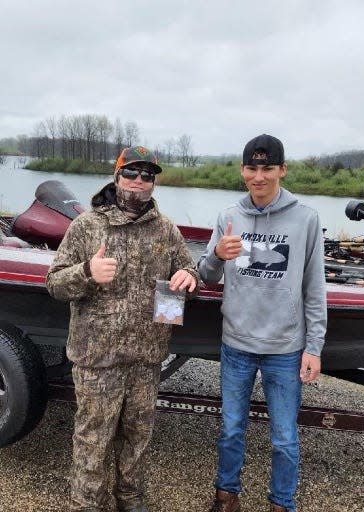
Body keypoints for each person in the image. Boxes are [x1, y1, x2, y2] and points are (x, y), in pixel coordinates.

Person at [46, 146, 200, 512]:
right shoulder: (87, 225)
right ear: (116, 178)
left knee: (138, 438)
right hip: (97, 359)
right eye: (131, 173)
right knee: (92, 441)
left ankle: (131, 500)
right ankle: (87, 505)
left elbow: (190, 274)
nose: (139, 181)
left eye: (147, 175)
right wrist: (87, 272)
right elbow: (54, 283)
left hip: (146, 361)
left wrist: (187, 277)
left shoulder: (166, 229)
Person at [198, 134, 327, 512]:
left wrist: (314, 347)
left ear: (282, 170)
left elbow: (314, 289)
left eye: (268, 168)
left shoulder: (306, 218)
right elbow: (206, 275)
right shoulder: (228, 216)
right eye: (252, 168)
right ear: (242, 171)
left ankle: (282, 502)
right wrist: (218, 255)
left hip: (285, 350)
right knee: (230, 429)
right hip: (236, 344)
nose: (259, 176)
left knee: (285, 437)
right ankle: (226, 496)